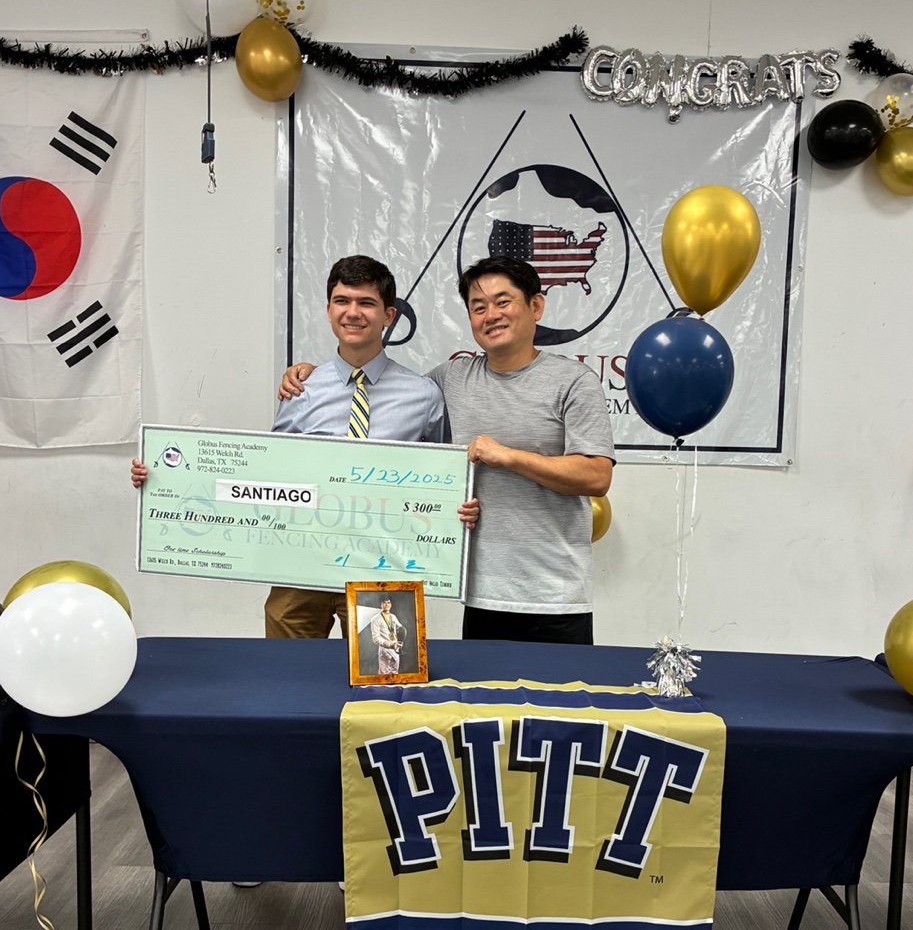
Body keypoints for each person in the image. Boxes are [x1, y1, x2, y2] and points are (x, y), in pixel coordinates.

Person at [132, 254, 478, 639]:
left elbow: (441, 483)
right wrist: (165, 478)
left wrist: (457, 508)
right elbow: (261, 474)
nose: (353, 313)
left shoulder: (424, 395)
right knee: (285, 677)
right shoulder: (300, 390)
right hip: (298, 566)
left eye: (366, 303)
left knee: (384, 680)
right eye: (342, 301)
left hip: (382, 569)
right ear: (329, 310)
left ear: (389, 315)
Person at [279, 256, 613, 645]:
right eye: (478, 306)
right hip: (479, 593)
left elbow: (597, 476)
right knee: (483, 704)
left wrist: (508, 456)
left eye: (503, 302)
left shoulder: (573, 381)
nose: (491, 315)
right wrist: (310, 373)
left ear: (535, 306)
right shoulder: (447, 381)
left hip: (554, 597)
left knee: (558, 703)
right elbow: (430, 467)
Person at [368, 595, 405, 675]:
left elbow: (400, 628)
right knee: (383, 675)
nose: (387, 604)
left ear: (391, 604)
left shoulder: (393, 617)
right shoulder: (375, 619)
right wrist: (390, 644)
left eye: (388, 602)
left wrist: (400, 639)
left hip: (395, 648)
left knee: (395, 673)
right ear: (380, 605)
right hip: (384, 650)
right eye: (384, 603)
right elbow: (376, 638)